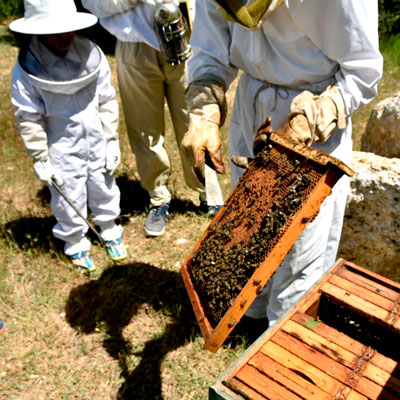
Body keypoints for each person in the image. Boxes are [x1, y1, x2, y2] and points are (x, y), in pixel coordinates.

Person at [181, 0, 383, 330]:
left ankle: (282, 335)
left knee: (300, 244)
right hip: (252, 105)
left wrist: (313, 118)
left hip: (314, 116)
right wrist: (204, 109)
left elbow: (362, 70)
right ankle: (249, 317)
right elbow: (210, 51)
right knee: (250, 224)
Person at [10, 0, 128, 272]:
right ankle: (76, 243)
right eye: (56, 30)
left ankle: (109, 230)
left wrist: (111, 138)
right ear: (38, 30)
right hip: (60, 147)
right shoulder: (25, 71)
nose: (65, 37)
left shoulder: (90, 54)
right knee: (68, 196)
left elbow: (107, 100)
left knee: (103, 184)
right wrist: (41, 157)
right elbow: (29, 117)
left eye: (68, 29)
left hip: (96, 138)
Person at [81, 0, 215, 238]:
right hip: (135, 45)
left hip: (188, 36)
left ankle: (210, 195)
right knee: (145, 129)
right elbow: (95, 4)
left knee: (195, 121)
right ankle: (158, 198)